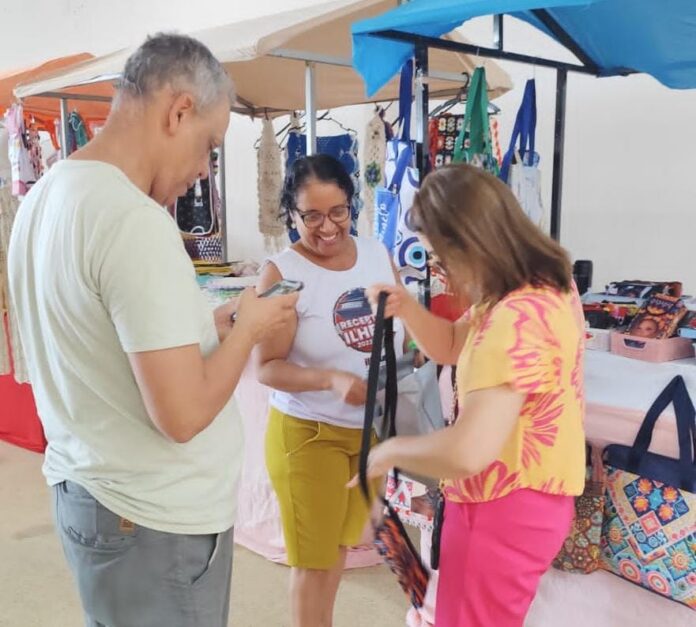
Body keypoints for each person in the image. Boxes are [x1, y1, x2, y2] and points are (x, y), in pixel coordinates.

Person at [8, 34, 296, 627]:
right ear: (179, 111)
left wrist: (210, 326)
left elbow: (95, 343)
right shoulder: (132, 220)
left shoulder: (48, 195)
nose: (202, 171)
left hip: (95, 492)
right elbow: (182, 415)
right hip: (151, 521)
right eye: (209, 146)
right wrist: (250, 330)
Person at [359, 163, 586, 627]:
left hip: (501, 509)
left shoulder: (514, 319)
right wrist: (406, 308)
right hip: (525, 502)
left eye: (440, 261)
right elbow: (450, 344)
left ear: (472, 245)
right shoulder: (540, 289)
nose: (442, 277)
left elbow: (467, 451)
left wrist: (389, 452)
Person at [255, 155, 404, 627]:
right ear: (291, 214)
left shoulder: (377, 255)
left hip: (369, 435)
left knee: (337, 548)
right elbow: (266, 368)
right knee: (312, 563)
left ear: (351, 204)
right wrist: (330, 379)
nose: (327, 227)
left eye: (338, 211)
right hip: (309, 435)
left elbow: (403, 323)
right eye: (312, 216)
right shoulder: (281, 274)